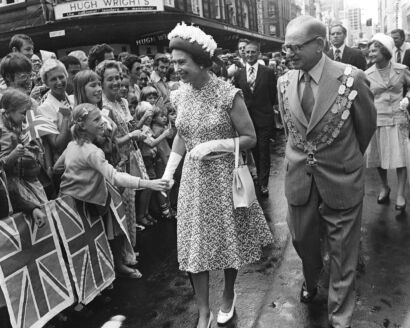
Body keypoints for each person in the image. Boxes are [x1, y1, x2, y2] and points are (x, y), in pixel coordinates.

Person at [163, 22, 272, 328]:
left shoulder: (228, 94)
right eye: (173, 62)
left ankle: (227, 295)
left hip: (223, 178)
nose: (176, 68)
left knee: (227, 242)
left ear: (200, 62)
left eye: (181, 62)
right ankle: (202, 311)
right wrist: (169, 172)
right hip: (193, 182)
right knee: (194, 247)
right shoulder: (179, 95)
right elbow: (182, 135)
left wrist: (215, 145)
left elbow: (250, 137)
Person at [278, 16, 376, 328]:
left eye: (295, 47)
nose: (288, 54)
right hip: (300, 180)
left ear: (319, 45)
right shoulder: (284, 81)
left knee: (343, 251)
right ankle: (311, 279)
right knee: (303, 241)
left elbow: (365, 127)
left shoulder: (352, 78)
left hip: (341, 178)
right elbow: (292, 132)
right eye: (285, 47)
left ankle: (340, 315)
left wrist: (345, 160)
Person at [54, 103, 168, 278]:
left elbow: (57, 168)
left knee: (81, 245)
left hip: (70, 202)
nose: (103, 122)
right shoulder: (92, 152)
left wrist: (77, 177)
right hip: (83, 205)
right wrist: (149, 183)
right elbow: (115, 177)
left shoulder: (72, 145)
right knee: (88, 245)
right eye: (97, 119)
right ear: (82, 125)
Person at [365, 34, 410, 212]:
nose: (371, 53)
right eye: (370, 50)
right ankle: (385, 187)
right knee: (378, 158)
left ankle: (400, 194)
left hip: (398, 119)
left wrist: (407, 98)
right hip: (377, 120)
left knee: (400, 159)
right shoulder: (367, 74)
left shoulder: (402, 69)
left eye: (374, 50)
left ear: (385, 50)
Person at [233, 40, 277, 196]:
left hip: (264, 118)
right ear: (243, 54)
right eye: (247, 52)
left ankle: (263, 183)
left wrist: (266, 110)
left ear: (258, 53)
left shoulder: (268, 72)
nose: (250, 54)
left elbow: (273, 96)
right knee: (254, 152)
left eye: (253, 52)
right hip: (247, 121)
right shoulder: (238, 74)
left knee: (264, 151)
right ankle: (258, 176)